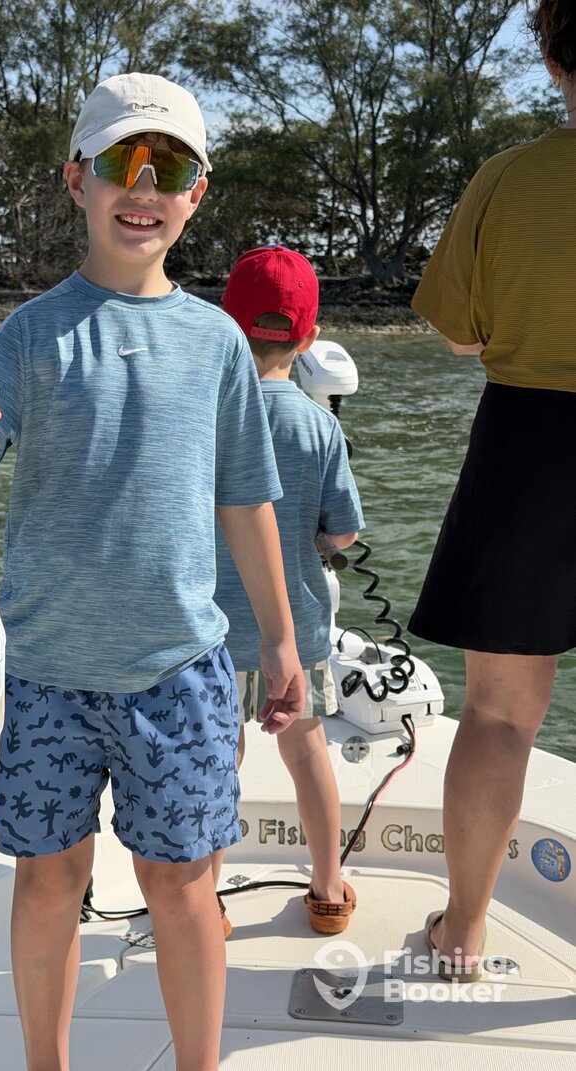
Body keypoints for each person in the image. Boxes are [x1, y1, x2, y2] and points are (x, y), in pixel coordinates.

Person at [0, 72, 305, 1071]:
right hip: (39, 675)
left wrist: (281, 637)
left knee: (184, 887)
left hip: (182, 670)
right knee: (48, 882)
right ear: (77, 179)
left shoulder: (219, 342)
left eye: (168, 167)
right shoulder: (28, 336)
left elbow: (247, 499)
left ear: (197, 193)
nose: (143, 186)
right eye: (122, 161)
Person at [408, 0, 576, 982]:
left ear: (551, 58)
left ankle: (462, 937)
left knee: (501, 716)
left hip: (529, 445)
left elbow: (461, 335)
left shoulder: (506, 178)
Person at [210, 247, 365, 937]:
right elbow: (344, 532)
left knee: (218, 761)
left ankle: (204, 902)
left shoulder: (205, 417)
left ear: (224, 325)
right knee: (307, 755)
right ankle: (328, 890)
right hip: (295, 634)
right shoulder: (319, 424)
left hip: (212, 630)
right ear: (309, 340)